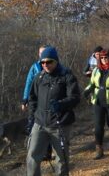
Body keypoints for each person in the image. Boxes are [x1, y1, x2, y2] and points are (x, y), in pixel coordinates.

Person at [27, 46, 80, 176]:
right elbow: (32, 98)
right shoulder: (39, 77)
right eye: (42, 62)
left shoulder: (67, 75)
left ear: (56, 61)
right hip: (40, 123)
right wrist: (31, 119)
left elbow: (75, 97)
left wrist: (61, 105)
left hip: (60, 123)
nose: (45, 65)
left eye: (49, 61)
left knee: (61, 160)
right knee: (32, 157)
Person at [83, 49, 109, 160]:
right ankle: (99, 149)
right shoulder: (97, 70)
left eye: (106, 57)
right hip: (98, 100)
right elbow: (92, 83)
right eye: (101, 58)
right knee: (98, 126)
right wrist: (87, 90)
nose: (103, 60)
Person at [22, 45, 54, 161]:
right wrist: (25, 99)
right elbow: (28, 83)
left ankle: (48, 151)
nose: (42, 55)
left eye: (44, 52)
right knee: (33, 124)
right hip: (35, 100)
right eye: (40, 53)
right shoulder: (35, 67)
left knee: (47, 125)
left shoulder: (52, 66)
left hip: (47, 101)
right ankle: (36, 149)